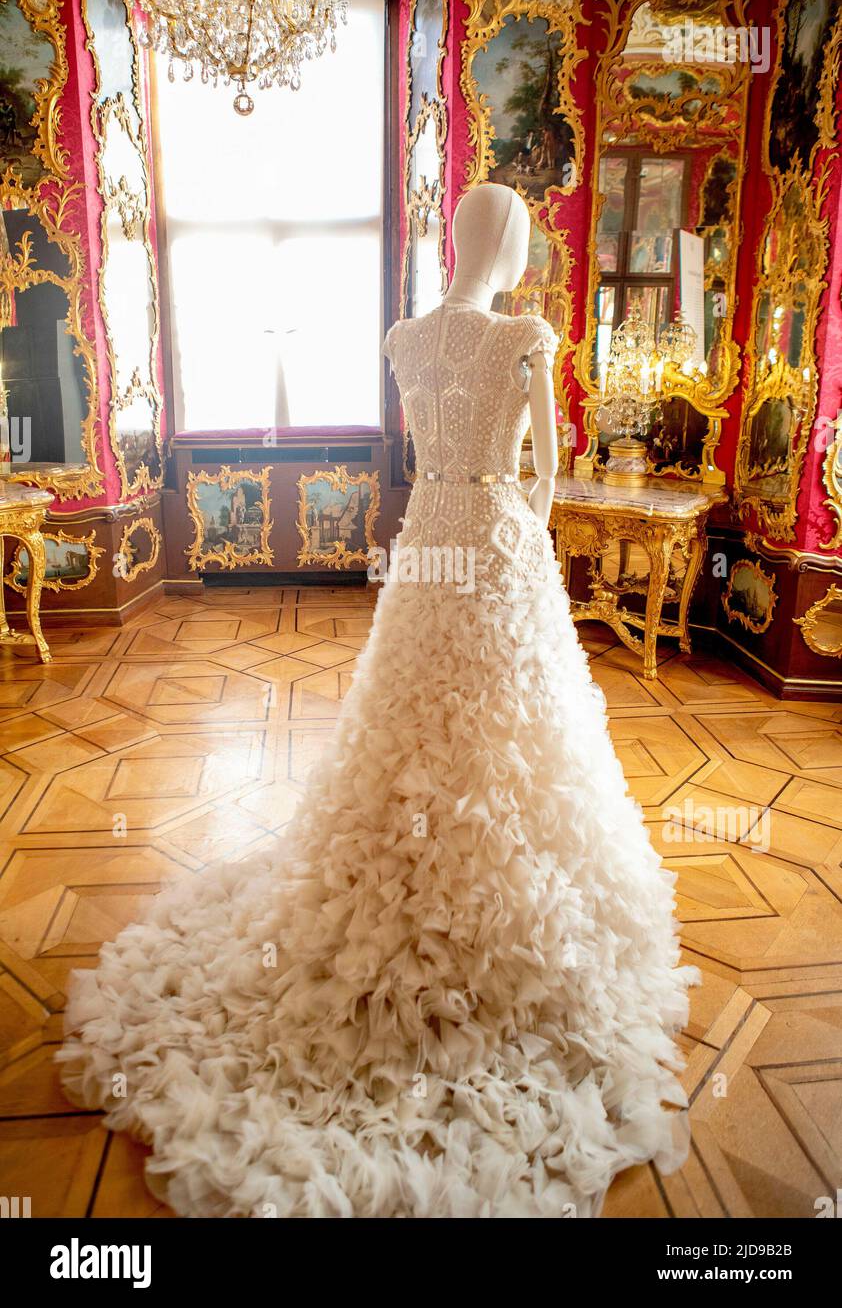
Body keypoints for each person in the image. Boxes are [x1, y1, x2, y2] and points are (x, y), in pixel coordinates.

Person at [58, 183, 696, 1219]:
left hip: (430, 530)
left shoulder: (403, 336)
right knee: (503, 726)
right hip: (489, 534)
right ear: (512, 244)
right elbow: (539, 478)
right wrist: (518, 532)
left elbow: (421, 453)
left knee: (407, 719)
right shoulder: (524, 335)